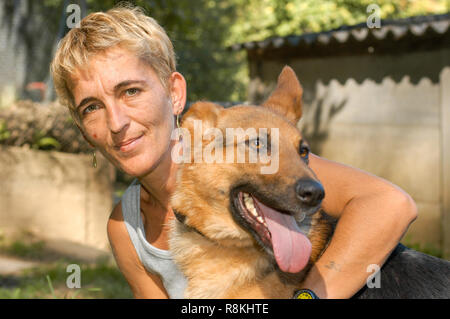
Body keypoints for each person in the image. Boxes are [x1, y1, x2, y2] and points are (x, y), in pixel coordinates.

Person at [50, 5, 417, 299]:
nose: (116, 122)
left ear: (174, 92)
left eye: (130, 91)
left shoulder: (256, 155)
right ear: (83, 128)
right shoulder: (126, 228)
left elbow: (390, 203)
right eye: (91, 108)